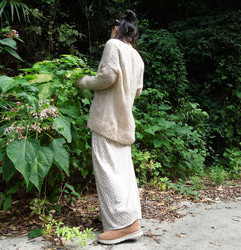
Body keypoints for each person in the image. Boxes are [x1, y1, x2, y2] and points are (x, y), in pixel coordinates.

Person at [76, 9, 144, 245]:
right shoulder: (138, 57)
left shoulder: (113, 45)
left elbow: (107, 76)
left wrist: (82, 82)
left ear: (117, 29)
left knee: (107, 172)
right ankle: (129, 220)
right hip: (124, 122)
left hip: (106, 120)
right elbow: (137, 91)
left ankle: (121, 226)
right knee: (123, 173)